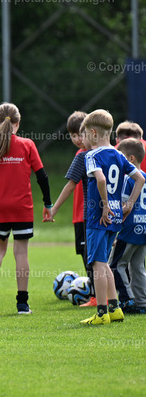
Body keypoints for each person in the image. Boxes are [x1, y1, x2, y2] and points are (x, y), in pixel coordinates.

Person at [0, 102, 52, 315]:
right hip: (21, 207)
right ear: (17, 124)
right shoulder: (27, 144)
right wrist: (47, 204)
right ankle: (22, 304)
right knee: (20, 251)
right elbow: (42, 177)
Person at [79, 109, 143, 325]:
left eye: (85, 134)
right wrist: (128, 205)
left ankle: (101, 312)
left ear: (94, 133)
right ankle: (115, 309)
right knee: (104, 263)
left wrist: (105, 206)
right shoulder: (118, 154)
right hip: (116, 217)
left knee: (97, 264)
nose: (84, 139)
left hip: (99, 217)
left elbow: (100, 179)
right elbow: (140, 178)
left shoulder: (91, 156)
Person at [49, 111, 98, 305]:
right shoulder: (80, 154)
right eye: (72, 135)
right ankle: (95, 293)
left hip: (89, 215)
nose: (77, 139)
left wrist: (54, 209)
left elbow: (69, 186)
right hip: (79, 215)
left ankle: (95, 295)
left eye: (80, 134)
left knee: (92, 257)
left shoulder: (88, 155)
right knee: (85, 255)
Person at [110, 138, 146, 314]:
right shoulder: (145, 177)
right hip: (143, 227)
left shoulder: (127, 178)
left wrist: (116, 231)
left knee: (115, 265)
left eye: (120, 156)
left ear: (130, 159)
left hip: (129, 229)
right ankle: (142, 302)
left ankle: (127, 299)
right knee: (138, 266)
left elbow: (123, 206)